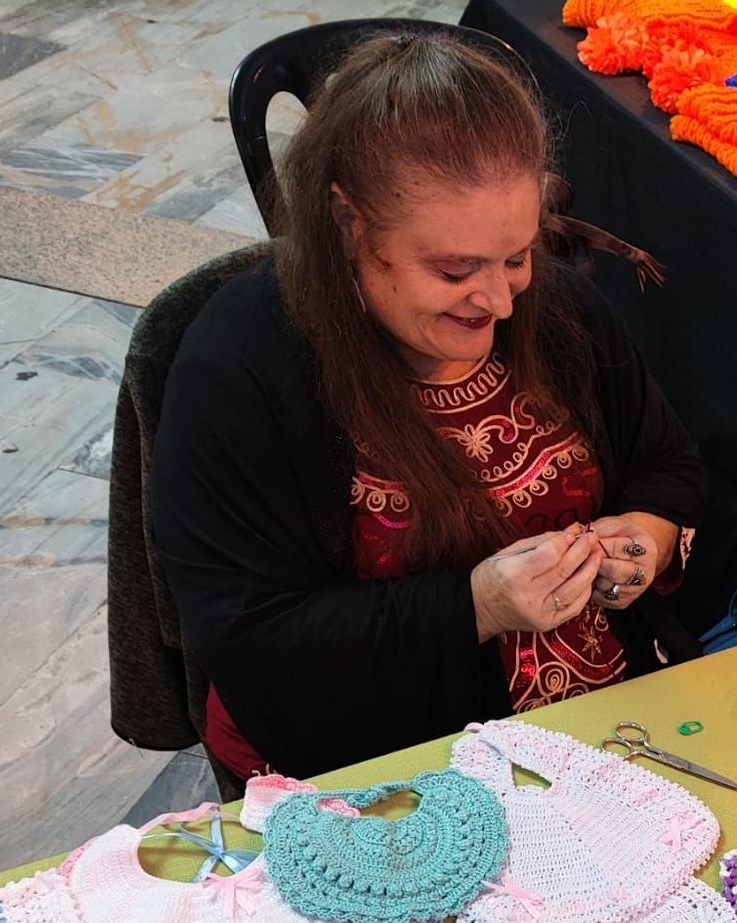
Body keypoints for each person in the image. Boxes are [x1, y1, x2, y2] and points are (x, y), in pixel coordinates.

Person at [152, 31, 703, 781]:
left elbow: (663, 461)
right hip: (381, 757)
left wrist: (644, 539)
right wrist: (474, 606)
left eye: (517, 255)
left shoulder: (556, 306)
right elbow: (252, 636)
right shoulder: (244, 364)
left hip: (608, 722)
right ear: (349, 225)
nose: (501, 300)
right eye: (454, 270)